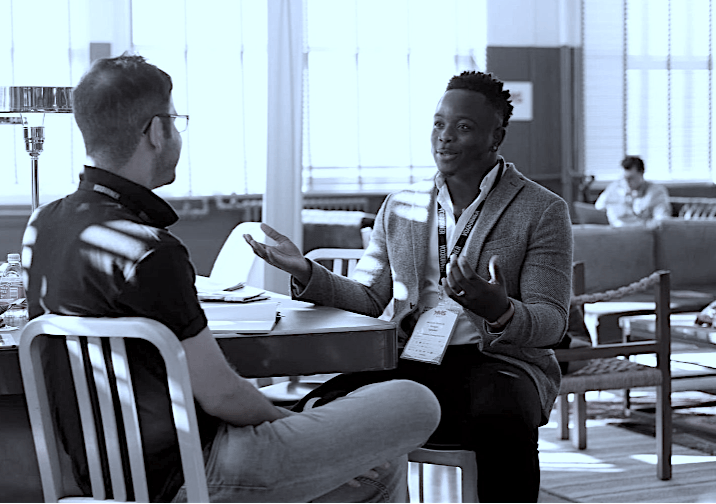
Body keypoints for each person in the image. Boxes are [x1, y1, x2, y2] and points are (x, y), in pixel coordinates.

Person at [22, 54, 440, 503]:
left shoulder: (44, 224)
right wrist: (295, 427)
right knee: (414, 401)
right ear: (157, 131)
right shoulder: (150, 251)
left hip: (109, 479)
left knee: (379, 466)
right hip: (197, 473)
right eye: (176, 122)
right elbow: (222, 396)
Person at [245, 71, 573, 503]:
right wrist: (307, 271)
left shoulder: (542, 209)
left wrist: (501, 310)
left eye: (463, 127)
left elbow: (552, 322)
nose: (445, 137)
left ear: (496, 137)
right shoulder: (400, 206)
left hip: (499, 362)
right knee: (323, 406)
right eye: (438, 124)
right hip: (413, 358)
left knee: (502, 414)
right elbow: (368, 298)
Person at [594, 155, 672, 227]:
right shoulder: (615, 187)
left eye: (630, 178)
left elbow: (662, 220)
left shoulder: (656, 192)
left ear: (641, 173)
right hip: (616, 232)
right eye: (623, 178)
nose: (626, 182)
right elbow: (598, 208)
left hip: (641, 232)